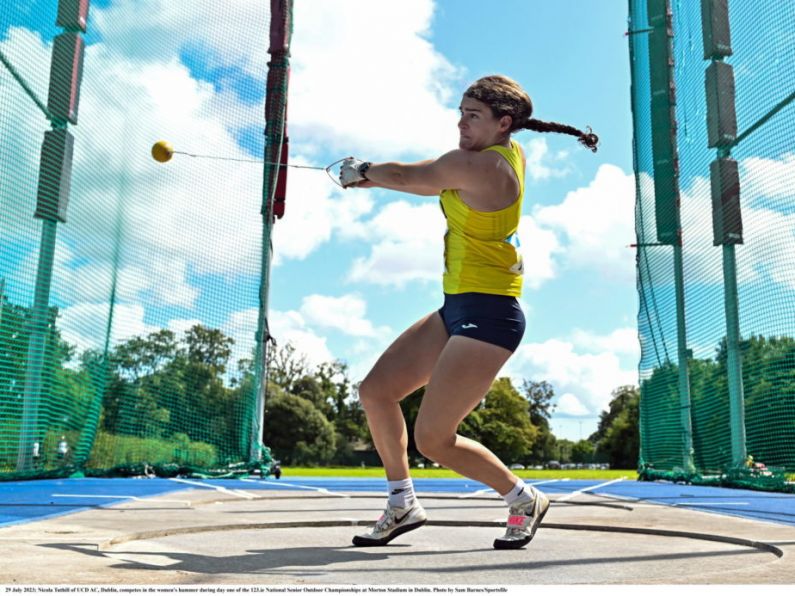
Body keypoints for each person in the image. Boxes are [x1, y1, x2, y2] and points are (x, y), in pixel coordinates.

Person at [338, 74, 598, 550]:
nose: (460, 123)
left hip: (492, 314)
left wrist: (364, 170)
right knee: (376, 391)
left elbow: (410, 176)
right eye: (460, 112)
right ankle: (402, 503)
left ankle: (524, 499)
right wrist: (372, 178)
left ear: (504, 124)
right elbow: (419, 180)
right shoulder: (492, 155)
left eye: (472, 116)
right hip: (456, 306)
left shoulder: (485, 168)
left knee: (434, 438)